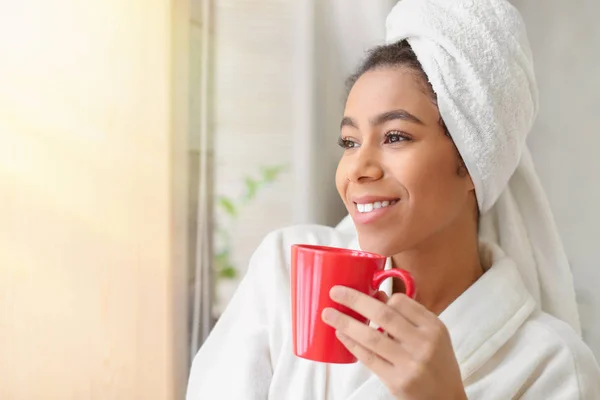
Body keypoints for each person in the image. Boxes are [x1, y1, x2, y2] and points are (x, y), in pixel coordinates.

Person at [186, 0, 600, 398]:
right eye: (349, 141)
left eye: (395, 137)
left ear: (474, 160)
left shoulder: (551, 366)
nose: (358, 168)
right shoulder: (285, 273)